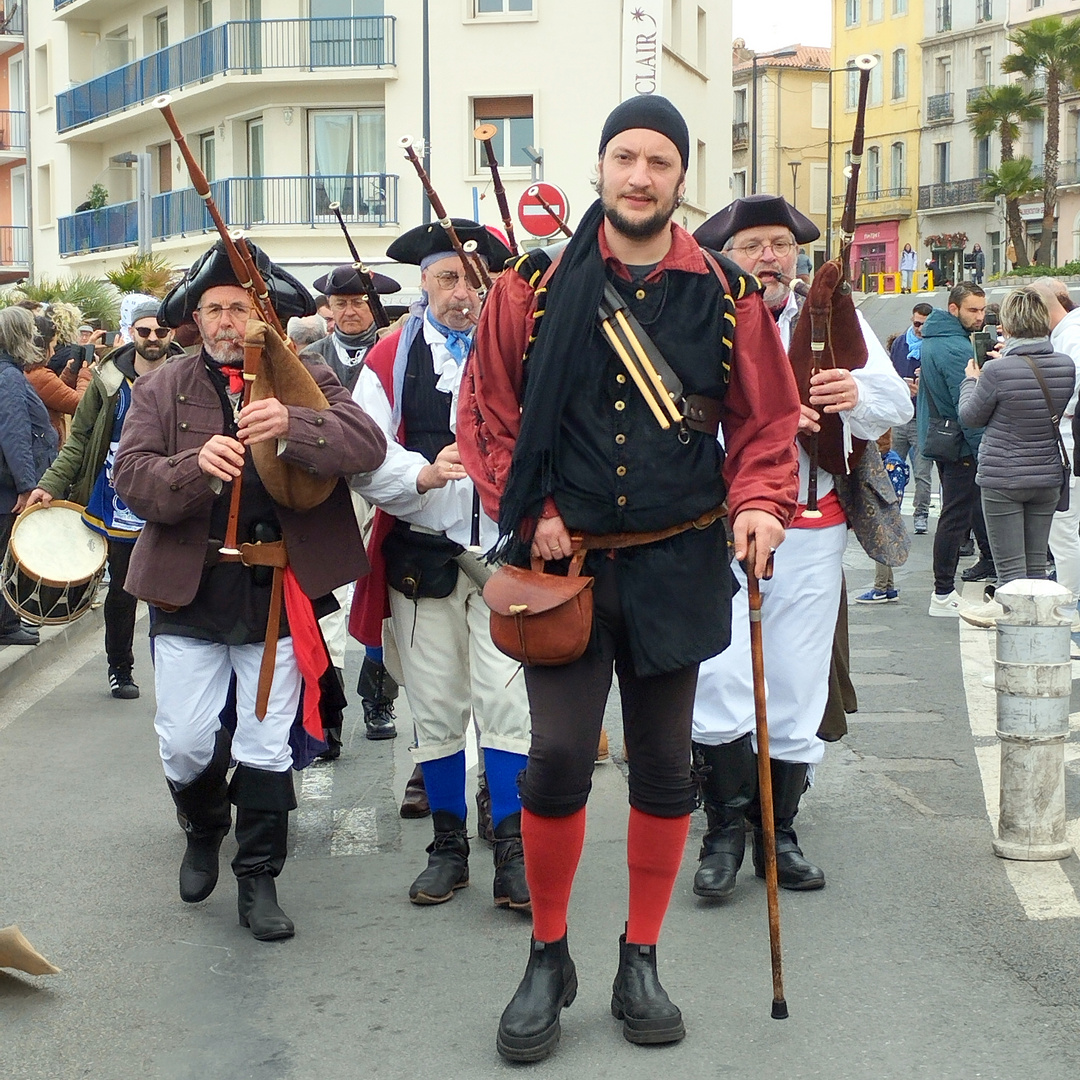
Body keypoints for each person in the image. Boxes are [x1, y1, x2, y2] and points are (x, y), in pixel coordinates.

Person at [459, 97, 801, 1060]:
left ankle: (640, 956)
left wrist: (761, 504)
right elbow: (484, 415)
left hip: (678, 559)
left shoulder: (730, 297)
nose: (638, 176)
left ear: (682, 179)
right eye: (623, 157)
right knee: (560, 759)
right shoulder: (528, 286)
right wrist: (534, 511)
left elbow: (767, 424)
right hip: (557, 569)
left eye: (658, 161)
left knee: (661, 770)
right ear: (600, 166)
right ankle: (548, 953)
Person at [112, 240, 386, 941]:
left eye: (242, 305)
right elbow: (132, 478)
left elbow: (365, 445)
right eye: (216, 308)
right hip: (189, 587)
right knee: (184, 738)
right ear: (195, 320)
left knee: (265, 743)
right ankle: (204, 825)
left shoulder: (304, 372)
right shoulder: (163, 386)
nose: (230, 319)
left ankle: (258, 878)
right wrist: (192, 467)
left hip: (273, 593)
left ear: (263, 314)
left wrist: (295, 423)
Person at [690, 193, 912, 899]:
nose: (768, 258)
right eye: (752, 245)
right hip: (717, 530)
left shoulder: (827, 317)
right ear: (728, 256)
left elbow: (894, 406)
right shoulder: (702, 317)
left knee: (796, 682)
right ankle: (724, 830)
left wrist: (854, 394)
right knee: (720, 679)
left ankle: (777, 831)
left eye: (779, 245)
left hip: (813, 528)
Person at [349, 219, 533, 911]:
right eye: (447, 277)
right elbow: (366, 456)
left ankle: (512, 845)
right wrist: (422, 474)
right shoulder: (390, 358)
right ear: (424, 283)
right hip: (422, 567)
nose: (462, 292)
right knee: (435, 710)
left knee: (508, 705)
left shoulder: (521, 349)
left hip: (506, 564)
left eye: (473, 278)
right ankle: (449, 847)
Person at [24, 301, 185, 698]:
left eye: (160, 332)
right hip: (118, 495)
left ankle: (178, 674)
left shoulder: (190, 376)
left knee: (176, 588)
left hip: (176, 489)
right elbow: (79, 439)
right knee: (124, 587)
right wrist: (50, 484)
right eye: (143, 331)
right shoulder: (107, 379)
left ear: (172, 334)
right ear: (131, 332)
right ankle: (120, 668)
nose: (152, 339)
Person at [303, 265, 404, 745]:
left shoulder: (396, 353)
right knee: (324, 607)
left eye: (358, 302)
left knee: (377, 595)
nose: (348, 310)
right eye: (339, 303)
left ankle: (377, 698)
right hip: (326, 487)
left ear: (373, 306)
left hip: (382, 484)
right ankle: (327, 714)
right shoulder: (307, 358)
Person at [956, 288, 1075, 627]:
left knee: (1011, 571)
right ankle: (1040, 638)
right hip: (1047, 474)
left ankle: (1015, 642)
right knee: (1036, 566)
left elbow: (971, 416)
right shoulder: (1065, 366)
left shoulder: (996, 372)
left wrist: (971, 381)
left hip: (1003, 477)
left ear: (1007, 325)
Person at [918, 283, 992, 617]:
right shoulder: (955, 348)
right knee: (954, 518)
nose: (980, 317)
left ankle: (948, 588)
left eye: (982, 309)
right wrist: (983, 450)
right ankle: (943, 593)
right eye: (973, 310)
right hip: (960, 443)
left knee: (958, 512)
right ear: (953, 309)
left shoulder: (935, 339)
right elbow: (968, 404)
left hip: (943, 440)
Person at [0, 308, 59, 647]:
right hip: (9, 488)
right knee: (7, 558)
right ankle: (6, 625)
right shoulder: (8, 376)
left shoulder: (9, 372)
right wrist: (26, 486)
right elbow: (15, 433)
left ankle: (9, 622)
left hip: (9, 484)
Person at [1029, 279, 1080, 628]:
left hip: (1066, 441)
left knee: (1063, 529)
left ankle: (1068, 607)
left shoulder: (1070, 337)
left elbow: (1068, 391)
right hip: (1064, 438)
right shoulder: (1066, 334)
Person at [24, 316, 92, 448]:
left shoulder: (30, 372)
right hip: (44, 447)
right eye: (52, 346)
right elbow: (80, 405)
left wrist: (68, 375)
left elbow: (54, 395)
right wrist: (86, 374)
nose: (54, 352)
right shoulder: (39, 375)